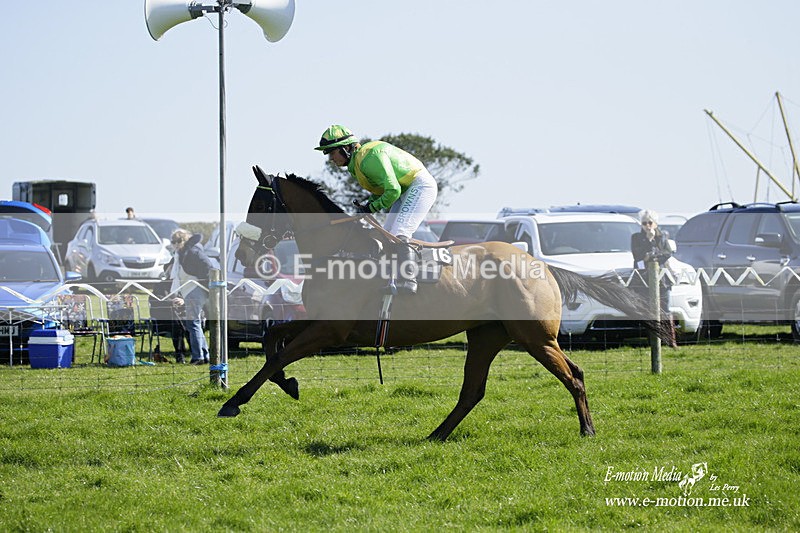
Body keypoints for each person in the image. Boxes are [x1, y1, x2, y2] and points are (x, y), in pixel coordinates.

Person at [315, 124, 438, 294]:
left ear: (346, 148)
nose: (331, 158)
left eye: (331, 152)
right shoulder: (358, 163)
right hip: (406, 190)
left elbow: (393, 190)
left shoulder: (368, 159)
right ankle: (391, 277)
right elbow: (382, 191)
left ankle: (409, 280)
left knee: (399, 232)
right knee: (387, 235)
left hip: (419, 186)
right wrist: (368, 206)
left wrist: (371, 207)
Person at [630, 209, 676, 346]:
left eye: (650, 223)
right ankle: (654, 341)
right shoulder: (636, 238)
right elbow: (637, 255)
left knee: (666, 309)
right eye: (644, 223)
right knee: (649, 310)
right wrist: (649, 241)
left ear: (655, 223)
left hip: (662, 279)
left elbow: (667, 253)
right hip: (644, 279)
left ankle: (671, 340)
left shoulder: (662, 237)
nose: (647, 226)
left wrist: (651, 256)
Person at [170, 229, 214, 364]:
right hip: (190, 290)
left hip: (195, 289)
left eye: (178, 241)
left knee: (193, 323)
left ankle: (198, 357)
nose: (175, 244)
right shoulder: (182, 253)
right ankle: (204, 355)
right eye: (173, 241)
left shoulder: (193, 252)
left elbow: (208, 267)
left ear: (184, 240)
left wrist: (206, 285)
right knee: (195, 324)